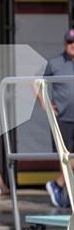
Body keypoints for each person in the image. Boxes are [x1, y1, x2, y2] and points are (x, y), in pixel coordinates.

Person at [40, 29, 74, 208]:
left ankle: (59, 185)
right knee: (66, 159)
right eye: (70, 42)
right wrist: (45, 103)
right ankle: (62, 188)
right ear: (65, 44)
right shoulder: (54, 63)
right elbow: (36, 83)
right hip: (64, 119)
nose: (73, 45)